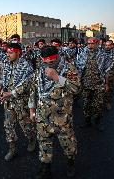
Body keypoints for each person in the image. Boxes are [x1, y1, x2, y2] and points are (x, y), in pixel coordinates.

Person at [29, 45, 80, 178]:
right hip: (42, 117)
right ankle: (46, 168)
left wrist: (58, 77)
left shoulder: (69, 68)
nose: (50, 63)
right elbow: (33, 91)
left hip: (62, 117)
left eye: (53, 60)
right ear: (42, 59)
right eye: (47, 60)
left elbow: (76, 88)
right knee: (44, 144)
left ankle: (70, 162)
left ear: (58, 57)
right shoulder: (39, 71)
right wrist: (32, 110)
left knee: (68, 144)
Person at [0, 42, 36, 161]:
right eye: (7, 52)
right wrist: (0, 86)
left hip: (21, 102)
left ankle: (32, 138)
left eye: (10, 52)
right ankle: (12, 148)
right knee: (8, 125)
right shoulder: (7, 64)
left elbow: (27, 85)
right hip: (8, 102)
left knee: (26, 125)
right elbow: (3, 78)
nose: (8, 54)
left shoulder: (26, 66)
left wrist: (10, 93)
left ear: (18, 53)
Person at [76, 37, 113, 131]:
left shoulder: (103, 55)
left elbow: (106, 71)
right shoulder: (82, 54)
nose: (90, 45)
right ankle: (87, 121)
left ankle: (98, 122)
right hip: (86, 84)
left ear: (97, 44)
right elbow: (78, 69)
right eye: (88, 43)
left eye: (92, 43)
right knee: (86, 104)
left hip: (99, 84)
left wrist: (107, 84)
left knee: (99, 105)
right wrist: (78, 81)